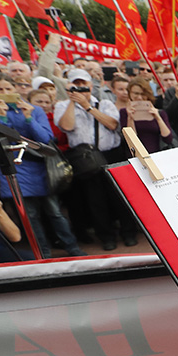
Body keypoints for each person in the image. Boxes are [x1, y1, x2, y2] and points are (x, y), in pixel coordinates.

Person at [0, 75, 85, 258]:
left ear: (16, 90)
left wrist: (29, 117)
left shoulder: (34, 109)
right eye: (0, 89)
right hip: (13, 168)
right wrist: (2, 117)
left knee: (55, 212)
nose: (5, 93)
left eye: (8, 89)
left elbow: (46, 138)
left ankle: (72, 247)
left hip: (41, 167)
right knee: (30, 216)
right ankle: (42, 253)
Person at [56, 68, 135, 251]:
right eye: (76, 85)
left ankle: (128, 232)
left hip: (110, 155)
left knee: (120, 198)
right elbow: (67, 126)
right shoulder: (62, 105)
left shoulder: (105, 103)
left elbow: (112, 124)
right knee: (95, 201)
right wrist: (72, 101)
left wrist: (87, 106)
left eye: (84, 85)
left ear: (91, 86)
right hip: (85, 159)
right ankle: (107, 237)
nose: (81, 88)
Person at [123, 77, 172, 154]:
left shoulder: (160, 113)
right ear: (130, 93)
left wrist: (158, 117)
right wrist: (130, 118)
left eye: (143, 94)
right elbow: (130, 140)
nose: (139, 97)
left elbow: (168, 138)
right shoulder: (124, 112)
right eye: (136, 93)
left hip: (158, 154)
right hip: (136, 155)